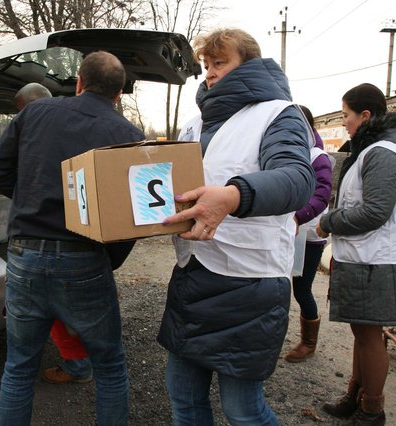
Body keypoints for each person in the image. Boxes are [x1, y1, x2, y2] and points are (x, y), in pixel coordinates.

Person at [157, 28, 315, 425]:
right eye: (206, 65)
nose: (209, 73)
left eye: (220, 63)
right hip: (194, 274)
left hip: (249, 282)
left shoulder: (279, 113)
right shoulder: (194, 125)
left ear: (250, 64)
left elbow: (297, 179)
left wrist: (232, 196)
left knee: (242, 409)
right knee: (183, 397)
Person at [0, 51, 143, 426]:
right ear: (118, 94)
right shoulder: (128, 136)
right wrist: (109, 256)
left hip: (25, 255)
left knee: (20, 366)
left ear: (79, 82)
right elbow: (133, 215)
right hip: (85, 258)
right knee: (110, 365)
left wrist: (28, 201)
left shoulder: (34, 113)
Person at [316, 83, 396, 426]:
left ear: (365, 115)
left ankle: (372, 410)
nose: (344, 122)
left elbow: (375, 212)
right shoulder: (372, 149)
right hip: (366, 259)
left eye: (346, 115)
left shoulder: (384, 152)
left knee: (370, 338)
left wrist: (329, 222)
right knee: (363, 336)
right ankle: (356, 397)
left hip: (378, 261)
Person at [10, 82, 95, 385]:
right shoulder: (77, 124)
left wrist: (21, 197)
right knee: (79, 310)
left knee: (49, 312)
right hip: (83, 240)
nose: (20, 118)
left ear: (31, 106)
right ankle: (82, 362)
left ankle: (79, 365)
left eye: (21, 112)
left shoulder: (31, 129)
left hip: (37, 240)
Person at [284, 105, 334, 363]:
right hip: (286, 232)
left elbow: (322, 195)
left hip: (309, 235)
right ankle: (272, 335)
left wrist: (297, 216)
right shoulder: (290, 151)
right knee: (278, 285)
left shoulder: (317, 156)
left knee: (302, 289)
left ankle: (308, 342)